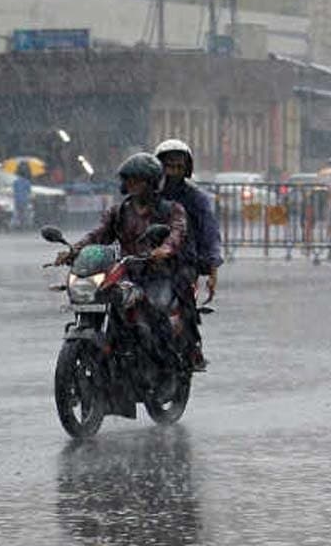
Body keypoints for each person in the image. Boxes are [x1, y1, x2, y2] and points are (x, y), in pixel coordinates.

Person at [56, 153, 187, 359]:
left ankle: (165, 364)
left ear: (151, 182)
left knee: (157, 314)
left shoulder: (171, 210)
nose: (132, 184)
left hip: (158, 274)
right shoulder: (118, 212)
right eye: (129, 179)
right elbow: (98, 234)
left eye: (138, 180)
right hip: (125, 273)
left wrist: (164, 250)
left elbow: (177, 233)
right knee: (100, 296)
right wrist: (75, 251)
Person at [155, 138, 223, 371]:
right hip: (147, 260)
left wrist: (212, 270)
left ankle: (192, 346)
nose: (172, 172)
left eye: (178, 167)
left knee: (183, 294)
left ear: (186, 169)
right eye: (168, 166)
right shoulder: (147, 196)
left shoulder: (197, 199)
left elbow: (210, 234)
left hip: (182, 262)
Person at [14, 161, 33, 229]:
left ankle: (18, 224)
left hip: (17, 200)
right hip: (24, 200)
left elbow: (15, 191)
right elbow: (29, 191)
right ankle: (24, 225)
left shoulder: (16, 182)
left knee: (18, 213)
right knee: (24, 212)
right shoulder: (27, 182)